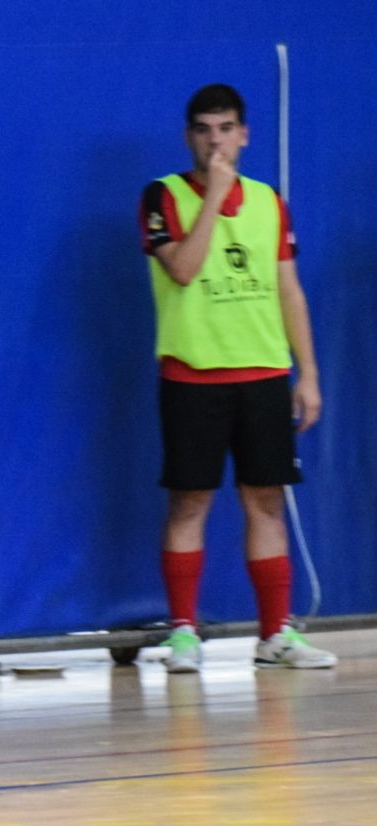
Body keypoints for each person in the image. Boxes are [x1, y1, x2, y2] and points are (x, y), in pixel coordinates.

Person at [140, 84, 333, 674]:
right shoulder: (164, 196)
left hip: (264, 373)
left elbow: (288, 289)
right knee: (190, 500)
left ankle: (275, 633)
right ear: (188, 136)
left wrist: (308, 375)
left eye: (226, 128)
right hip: (193, 374)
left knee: (266, 501)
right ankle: (183, 634)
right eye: (203, 129)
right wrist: (215, 198)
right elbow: (183, 268)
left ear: (244, 134)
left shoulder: (269, 201)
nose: (215, 140)